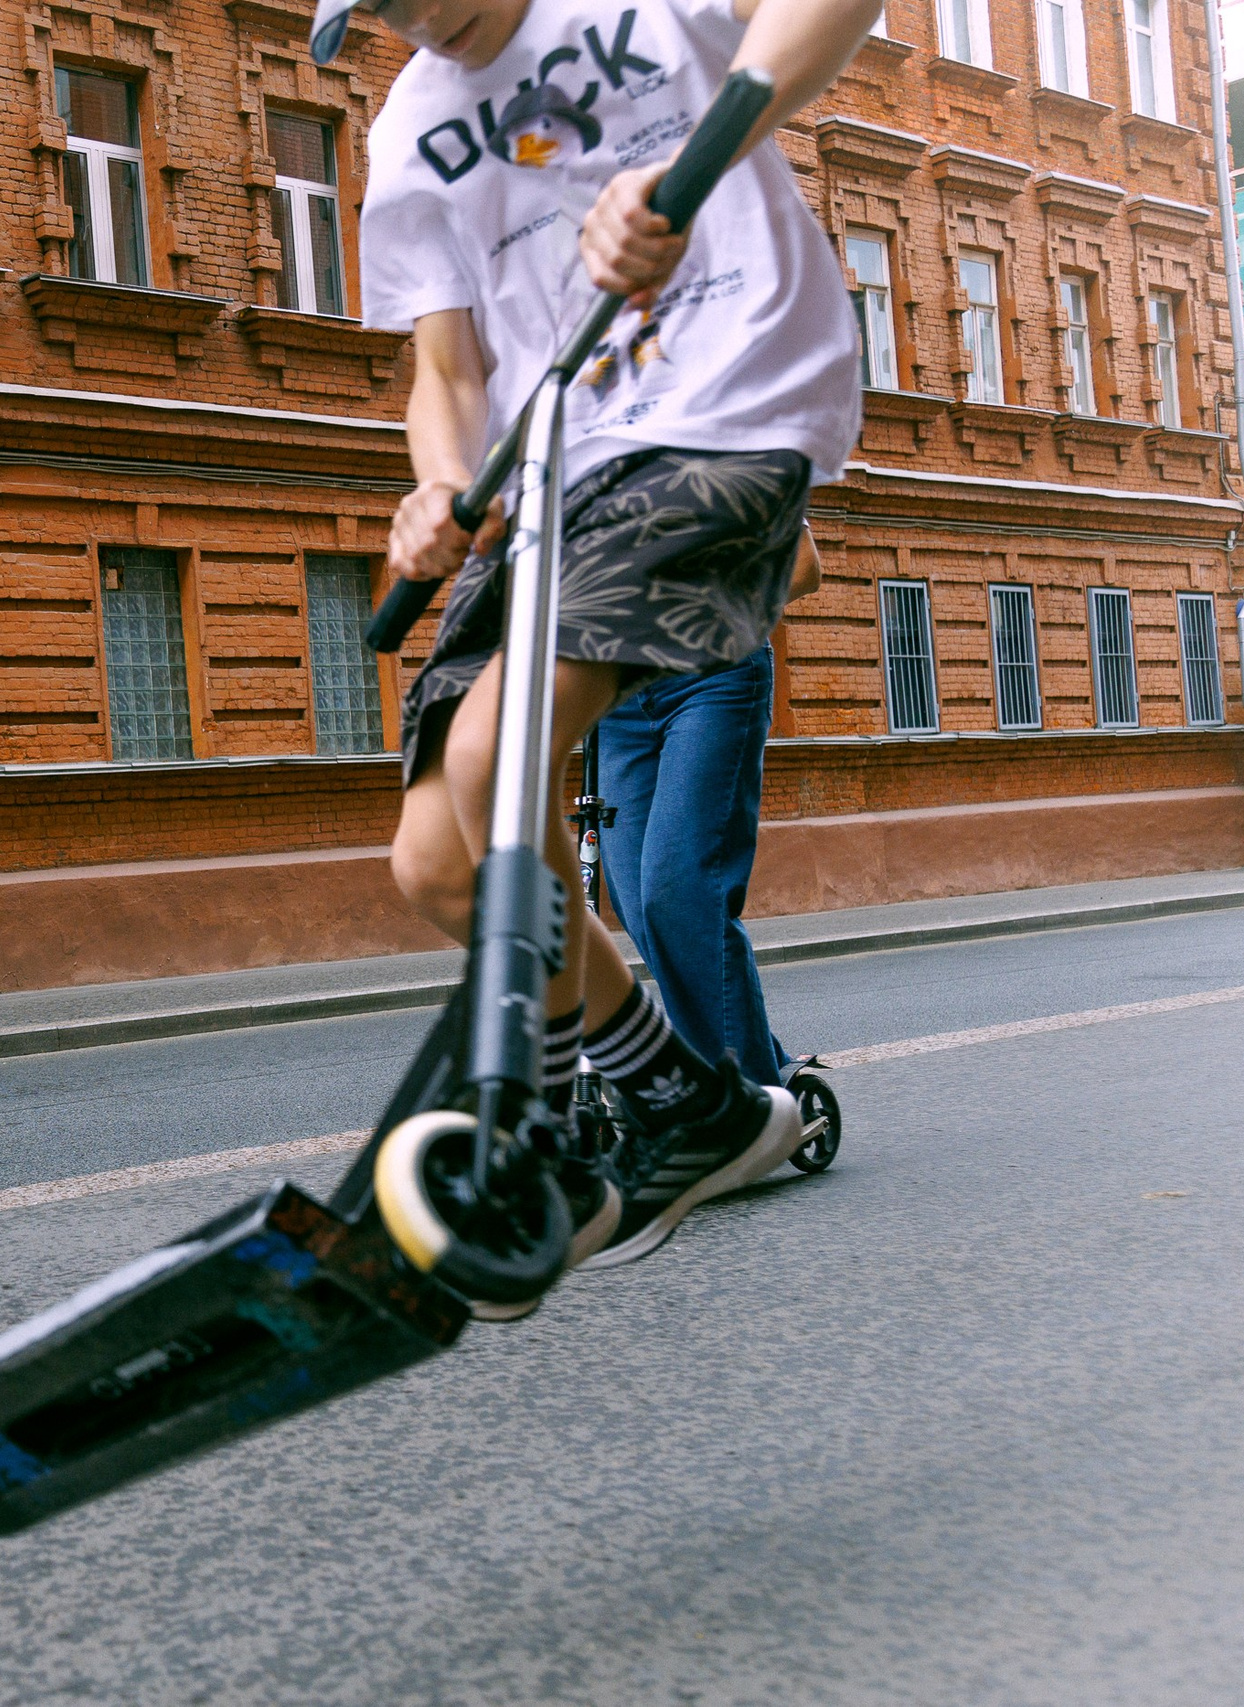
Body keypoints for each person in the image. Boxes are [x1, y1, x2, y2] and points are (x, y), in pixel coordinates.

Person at [310, 0, 877, 1270]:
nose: (415, 18)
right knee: (431, 862)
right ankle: (687, 1103)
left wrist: (697, 162)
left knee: (488, 768)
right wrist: (442, 490)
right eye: (378, 8)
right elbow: (448, 378)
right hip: (564, 474)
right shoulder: (411, 129)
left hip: (724, 400)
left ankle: (552, 1124)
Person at [595, 528, 820, 1097]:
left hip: (710, 678)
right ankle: (761, 1064)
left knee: (678, 892)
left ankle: (735, 1106)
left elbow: (802, 567)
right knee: (638, 901)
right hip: (614, 700)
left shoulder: (715, 442)